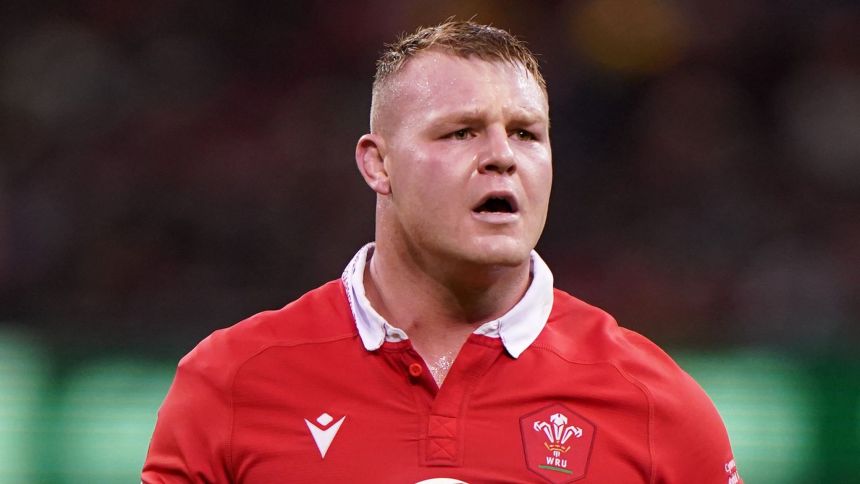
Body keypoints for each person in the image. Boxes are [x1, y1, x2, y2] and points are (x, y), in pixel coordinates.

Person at [142, 20, 743, 484]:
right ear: (378, 164)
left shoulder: (654, 404)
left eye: (526, 134)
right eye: (461, 132)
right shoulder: (231, 381)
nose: (502, 156)